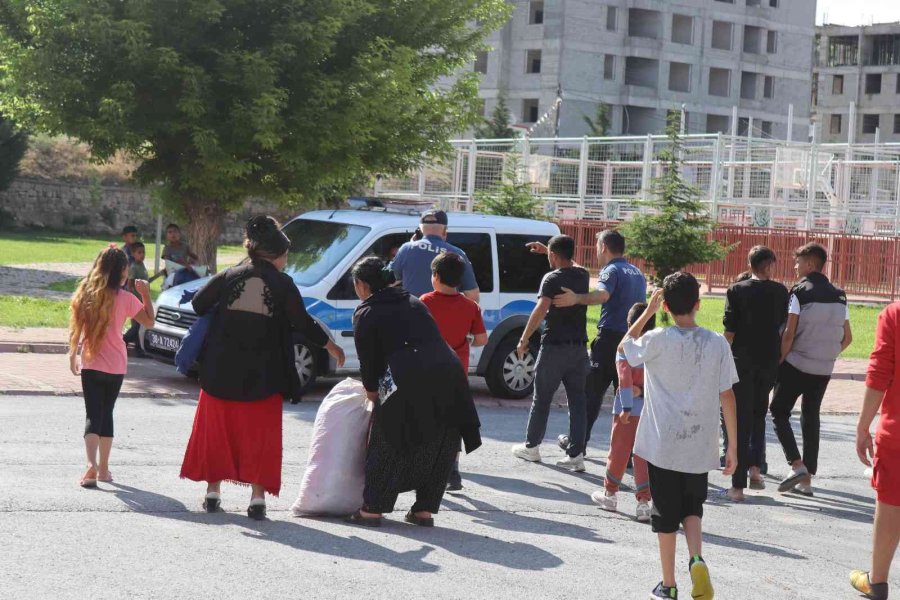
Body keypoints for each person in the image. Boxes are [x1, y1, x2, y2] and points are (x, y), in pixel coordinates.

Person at [179, 216, 345, 520]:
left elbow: (199, 304)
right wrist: (330, 346)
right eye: (286, 255)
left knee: (217, 433)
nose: (287, 260)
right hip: (264, 375)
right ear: (276, 255)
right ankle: (257, 499)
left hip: (220, 370)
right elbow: (302, 322)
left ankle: (213, 492)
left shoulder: (230, 275)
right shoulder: (283, 284)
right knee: (260, 437)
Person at [621, 274, 738, 600]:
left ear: (666, 307)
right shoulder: (717, 343)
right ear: (698, 304)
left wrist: (647, 312)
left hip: (663, 444)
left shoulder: (656, 339)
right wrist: (732, 446)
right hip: (699, 444)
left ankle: (669, 584)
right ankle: (697, 559)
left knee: (664, 515)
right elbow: (727, 396)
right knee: (692, 507)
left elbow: (625, 347)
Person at [346, 257, 482, 528]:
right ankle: (424, 511)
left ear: (361, 284)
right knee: (440, 439)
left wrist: (371, 392)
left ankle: (372, 510)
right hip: (450, 374)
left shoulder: (366, 311)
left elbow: (368, 361)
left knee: (388, 439)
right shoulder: (413, 302)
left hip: (408, 376)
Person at [547, 229, 646, 452]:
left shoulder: (611, 271)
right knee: (627, 396)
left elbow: (602, 295)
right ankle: (627, 452)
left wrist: (576, 298)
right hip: (632, 342)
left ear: (604, 247)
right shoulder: (637, 272)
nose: (596, 252)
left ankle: (577, 443)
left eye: (597, 247)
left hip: (609, 341)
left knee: (590, 394)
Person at [68, 245, 155, 488]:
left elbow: (76, 329)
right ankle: (104, 469)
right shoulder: (126, 298)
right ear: (121, 272)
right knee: (107, 413)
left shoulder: (87, 294)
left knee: (92, 414)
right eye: (126, 268)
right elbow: (149, 321)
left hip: (91, 362)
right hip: (116, 365)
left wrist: (72, 355)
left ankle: (90, 466)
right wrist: (145, 294)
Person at [771, 242, 852, 497]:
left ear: (809, 264)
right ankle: (807, 481)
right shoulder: (840, 295)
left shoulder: (799, 292)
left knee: (778, 411)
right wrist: (828, 355)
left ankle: (797, 465)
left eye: (798, 262)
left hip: (797, 363)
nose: (795, 267)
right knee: (811, 415)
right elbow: (848, 338)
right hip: (824, 367)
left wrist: (781, 359)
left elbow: (789, 333)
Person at [511, 235, 591, 472]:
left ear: (554, 256)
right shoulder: (583, 275)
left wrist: (524, 339)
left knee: (542, 399)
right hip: (579, 349)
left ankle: (532, 447)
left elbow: (541, 309)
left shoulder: (551, 278)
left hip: (554, 347)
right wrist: (549, 250)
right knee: (578, 401)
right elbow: (574, 265)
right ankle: (576, 455)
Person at [721, 246, 789, 502]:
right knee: (759, 414)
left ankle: (737, 486)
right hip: (768, 361)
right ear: (770, 265)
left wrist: (721, 355)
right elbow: (783, 325)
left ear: (749, 264)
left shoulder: (736, 290)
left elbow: (730, 329)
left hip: (742, 361)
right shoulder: (781, 291)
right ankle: (756, 469)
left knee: (740, 419)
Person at [420, 252, 488, 491]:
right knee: (453, 422)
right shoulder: (471, 306)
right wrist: (466, 340)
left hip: (429, 371)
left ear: (436, 276)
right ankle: (453, 471)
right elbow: (481, 339)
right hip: (458, 372)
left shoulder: (424, 302)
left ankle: (427, 468)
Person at [852, 302, 900, 600]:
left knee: (891, 501)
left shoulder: (894, 315)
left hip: (897, 433)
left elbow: (880, 372)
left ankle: (877, 581)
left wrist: (863, 426)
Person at [591, 301, 655, 522]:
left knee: (618, 451)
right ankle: (644, 502)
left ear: (628, 324)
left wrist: (626, 406)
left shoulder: (625, 349)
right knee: (643, 455)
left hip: (627, 410)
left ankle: (610, 494)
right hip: (650, 409)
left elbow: (625, 380)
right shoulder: (656, 349)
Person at [391, 210, 479, 302]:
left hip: (413, 309)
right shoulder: (457, 254)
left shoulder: (406, 249)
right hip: (444, 310)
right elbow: (473, 296)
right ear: (445, 230)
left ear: (420, 230)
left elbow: (392, 278)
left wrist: (412, 245)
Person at [121, 242, 153, 357]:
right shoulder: (134, 267)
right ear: (133, 254)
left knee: (139, 325)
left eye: (143, 252)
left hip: (142, 299)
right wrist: (132, 297)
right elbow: (130, 284)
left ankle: (138, 348)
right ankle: (124, 340)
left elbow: (145, 282)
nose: (142, 255)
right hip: (136, 300)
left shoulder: (142, 265)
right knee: (137, 326)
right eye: (139, 252)